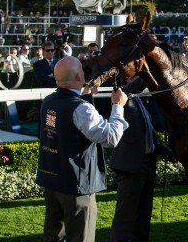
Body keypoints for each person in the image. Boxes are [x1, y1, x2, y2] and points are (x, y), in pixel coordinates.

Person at [36, 57, 129, 242]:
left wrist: (85, 94)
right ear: (79, 76)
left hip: (52, 182)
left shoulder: (49, 101)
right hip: (76, 187)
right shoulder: (81, 108)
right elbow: (110, 137)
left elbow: (70, 126)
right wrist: (118, 107)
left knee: (54, 237)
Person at [109, 77, 166, 242]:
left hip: (146, 165)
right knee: (125, 218)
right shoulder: (120, 97)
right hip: (130, 167)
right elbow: (138, 83)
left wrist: (168, 151)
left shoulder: (141, 101)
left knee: (143, 218)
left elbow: (150, 137)